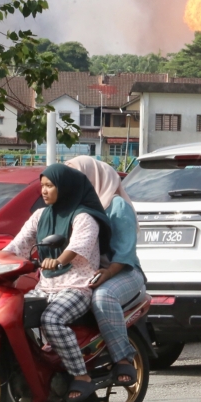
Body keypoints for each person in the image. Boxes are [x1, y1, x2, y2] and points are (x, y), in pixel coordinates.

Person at [1, 164, 112, 402]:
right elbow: (19, 244)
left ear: (65, 187)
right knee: (9, 315)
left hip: (77, 286)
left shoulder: (84, 216)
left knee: (51, 319)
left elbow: (77, 247)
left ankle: (81, 376)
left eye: (50, 186)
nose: (44, 191)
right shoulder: (40, 215)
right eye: (42, 186)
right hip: (46, 286)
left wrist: (58, 260)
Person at [67, 156, 145, 388]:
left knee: (103, 297)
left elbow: (124, 254)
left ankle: (123, 359)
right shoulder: (73, 207)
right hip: (85, 272)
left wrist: (107, 273)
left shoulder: (116, 206)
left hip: (122, 272)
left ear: (93, 178)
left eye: (77, 178)